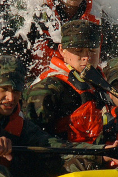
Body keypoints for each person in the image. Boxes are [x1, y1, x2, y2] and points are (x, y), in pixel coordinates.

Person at [23, 20, 111, 155]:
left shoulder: (104, 85)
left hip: (101, 156)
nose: (86, 57)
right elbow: (36, 142)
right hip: (62, 162)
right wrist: (98, 155)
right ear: (62, 51)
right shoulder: (47, 89)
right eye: (78, 51)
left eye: (92, 50)